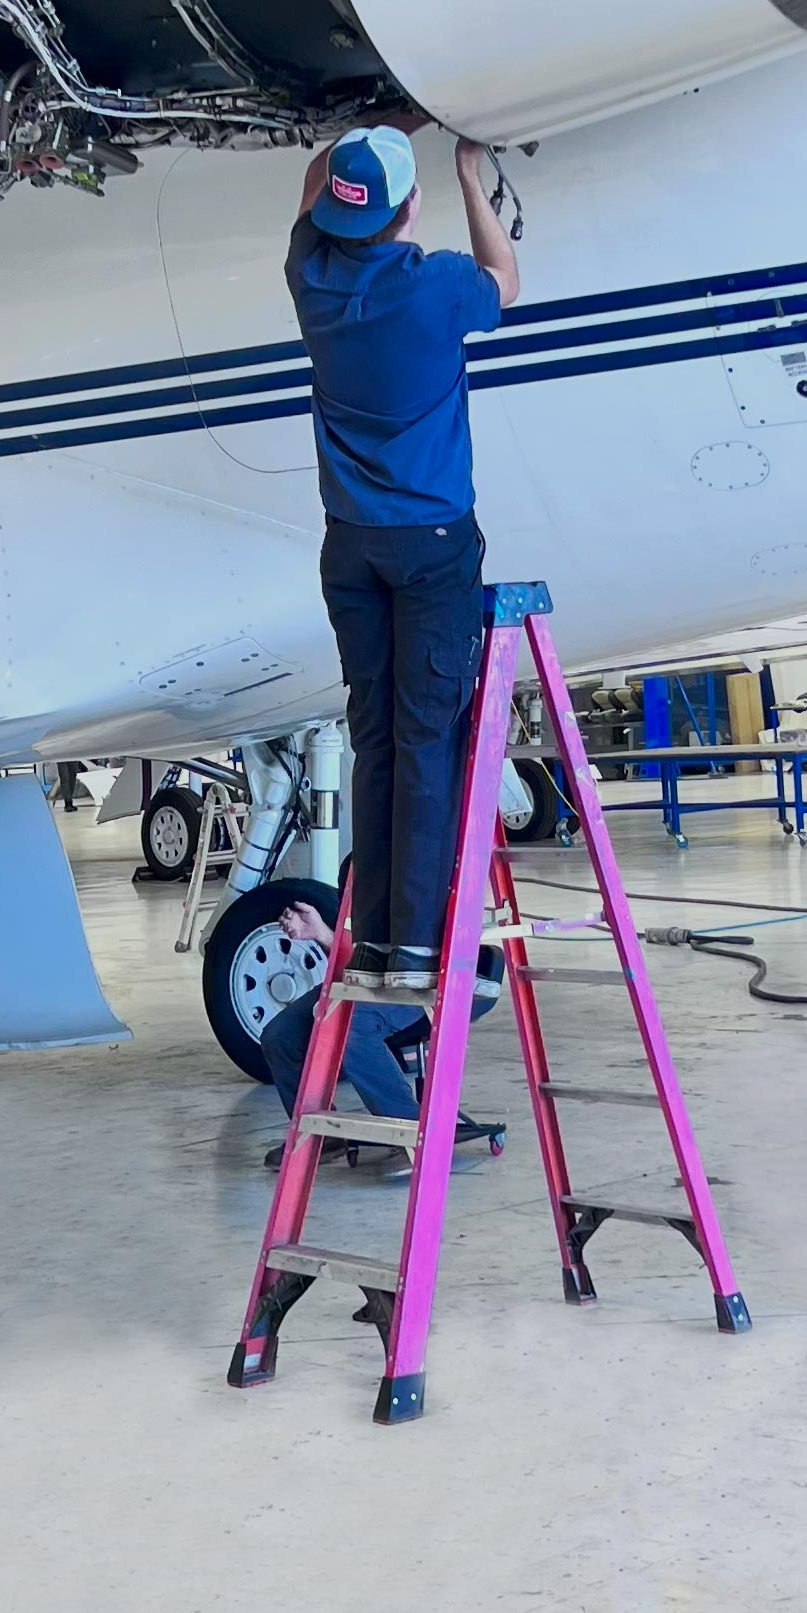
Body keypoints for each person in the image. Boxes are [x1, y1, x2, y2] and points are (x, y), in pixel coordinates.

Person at [287, 123, 520, 989]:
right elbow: (508, 280)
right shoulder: (435, 289)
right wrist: (469, 173)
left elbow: (317, 193)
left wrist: (341, 139)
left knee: (377, 737)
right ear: (408, 210)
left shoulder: (310, 277)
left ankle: (381, 933)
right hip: (429, 550)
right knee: (428, 740)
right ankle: (420, 951)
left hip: (349, 550)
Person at [255, 898, 502, 1163]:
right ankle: (321, 1138)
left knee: (352, 1027)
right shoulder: (356, 870)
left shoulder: (422, 869)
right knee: (280, 1035)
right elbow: (360, 953)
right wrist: (322, 935)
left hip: (425, 976)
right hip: (368, 976)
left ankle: (410, 1130)